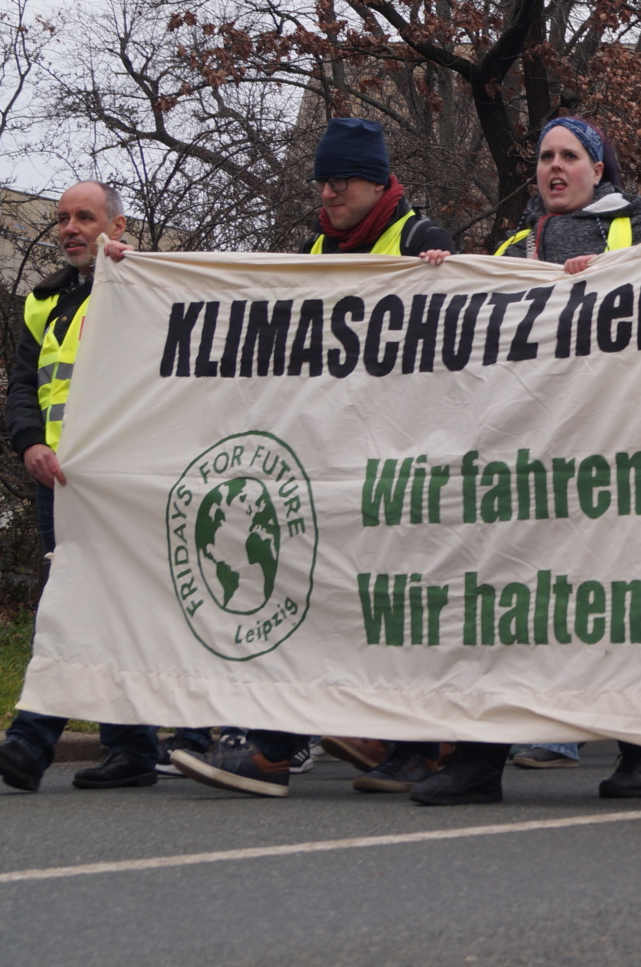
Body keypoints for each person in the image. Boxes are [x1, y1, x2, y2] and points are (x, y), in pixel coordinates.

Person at [174, 118, 458, 799]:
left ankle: (415, 745)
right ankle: (278, 745)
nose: (326, 192)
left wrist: (448, 281)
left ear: (376, 180)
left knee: (394, 602)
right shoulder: (312, 250)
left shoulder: (422, 241)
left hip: (400, 461)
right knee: (305, 587)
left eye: (339, 180)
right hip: (330, 457)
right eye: (321, 181)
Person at [406, 114, 641, 807]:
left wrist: (614, 277)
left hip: (604, 451)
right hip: (521, 456)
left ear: (598, 169)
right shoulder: (516, 244)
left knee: (612, 604)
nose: (554, 167)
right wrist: (442, 279)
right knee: (499, 599)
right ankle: (479, 760)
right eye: (546, 156)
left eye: (569, 156)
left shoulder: (635, 234)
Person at [0, 181, 166, 793]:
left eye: (85, 217)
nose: (70, 228)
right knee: (100, 604)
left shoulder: (146, 286)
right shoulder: (45, 302)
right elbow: (24, 386)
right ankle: (131, 746)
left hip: (121, 480)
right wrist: (30, 442)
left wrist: (139, 273)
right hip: (60, 480)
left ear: (118, 225)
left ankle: (32, 743)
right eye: (62, 219)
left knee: (74, 602)